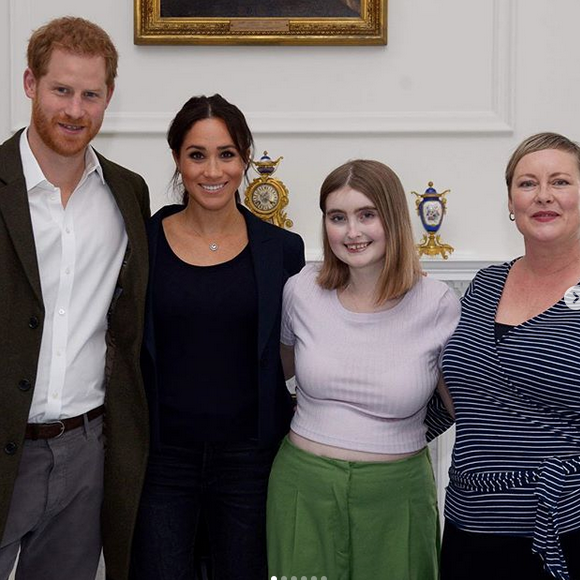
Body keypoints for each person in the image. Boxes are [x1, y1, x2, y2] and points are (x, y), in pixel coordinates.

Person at [0, 16, 150, 580]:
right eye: (61, 90)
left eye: (91, 94)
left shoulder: (127, 193)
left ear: (109, 96)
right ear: (30, 84)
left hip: (87, 453)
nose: (75, 110)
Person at [131, 94, 305, 580]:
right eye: (197, 154)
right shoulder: (140, 243)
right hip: (161, 463)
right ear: (177, 159)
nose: (213, 170)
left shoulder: (282, 250)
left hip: (250, 462)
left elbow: (291, 351)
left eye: (227, 153)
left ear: (245, 158)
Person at [267, 159, 460, 580]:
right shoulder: (301, 289)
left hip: (398, 496)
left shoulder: (437, 302)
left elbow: (465, 405)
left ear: (393, 218)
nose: (352, 233)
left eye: (367, 215)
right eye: (338, 218)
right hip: (304, 488)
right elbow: (271, 375)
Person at [440, 132, 580, 580]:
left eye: (560, 182)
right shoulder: (484, 285)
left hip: (563, 528)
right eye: (527, 184)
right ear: (510, 201)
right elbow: (460, 392)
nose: (543, 196)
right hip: (470, 523)